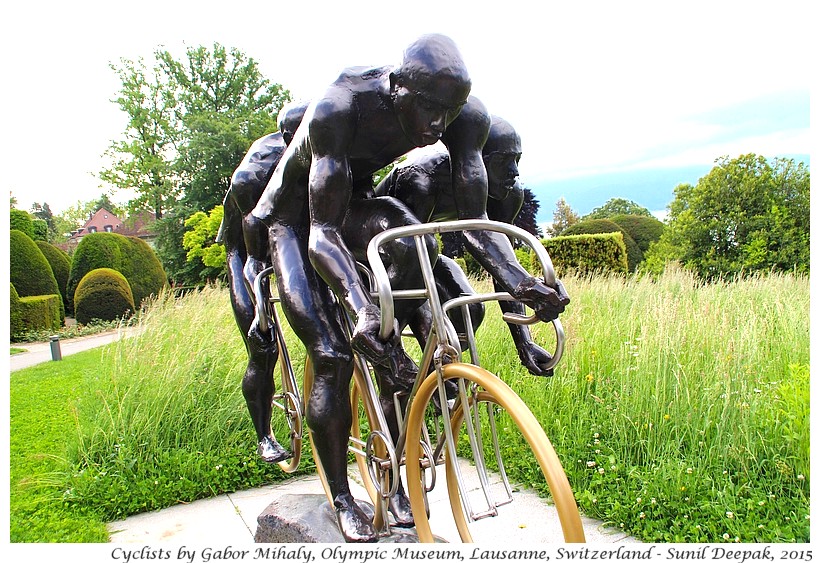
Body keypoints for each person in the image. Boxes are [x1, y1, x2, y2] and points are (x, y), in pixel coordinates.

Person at [242, 34, 569, 542]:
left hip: (349, 201)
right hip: (290, 222)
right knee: (332, 353)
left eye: (450, 111)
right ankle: (345, 498)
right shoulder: (340, 106)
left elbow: (474, 221)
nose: (438, 125)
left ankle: (397, 473)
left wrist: (521, 283)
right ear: (398, 88)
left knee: (404, 250)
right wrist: (359, 306)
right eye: (428, 109)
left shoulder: (466, 121)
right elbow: (320, 234)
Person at [375, 116, 559, 376]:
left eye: (517, 160)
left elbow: (502, 266)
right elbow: (409, 263)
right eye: (503, 161)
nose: (514, 172)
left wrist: (524, 342)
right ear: (473, 162)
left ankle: (436, 380)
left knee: (469, 309)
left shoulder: (507, 194)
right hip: (383, 252)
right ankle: (395, 383)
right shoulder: (422, 179)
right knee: (412, 313)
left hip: (421, 252)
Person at [218, 99, 309, 464]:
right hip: (246, 250)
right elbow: (256, 260)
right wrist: (261, 313)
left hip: (287, 232)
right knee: (263, 345)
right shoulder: (253, 176)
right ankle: (264, 436)